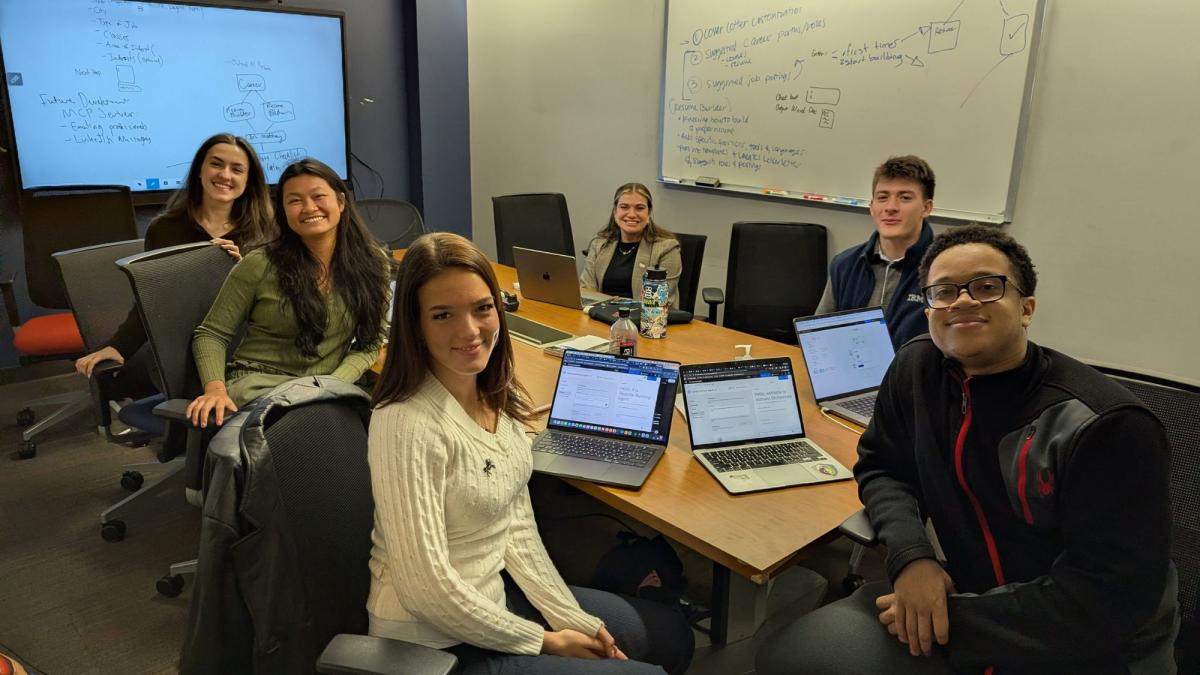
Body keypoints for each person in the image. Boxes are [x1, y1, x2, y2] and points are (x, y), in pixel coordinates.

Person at [757, 225, 1179, 674]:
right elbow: (884, 467)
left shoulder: (1106, 426)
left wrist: (949, 618)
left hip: (1092, 644)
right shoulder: (917, 368)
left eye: (985, 287)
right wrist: (911, 558)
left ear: (1027, 308)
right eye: (944, 291)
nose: (961, 301)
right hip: (964, 592)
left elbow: (1111, 596)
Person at [368, 232, 693, 675]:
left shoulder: (492, 396)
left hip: (491, 600)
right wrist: (544, 641)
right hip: (433, 645)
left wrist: (572, 620)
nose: (470, 331)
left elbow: (515, 528)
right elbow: (425, 589)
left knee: (671, 638)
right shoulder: (405, 421)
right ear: (415, 325)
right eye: (443, 315)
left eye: (482, 308)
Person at [185, 158, 391, 433]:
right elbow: (211, 334)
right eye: (295, 201)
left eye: (318, 196)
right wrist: (214, 389)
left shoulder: (373, 263)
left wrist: (333, 385)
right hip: (259, 386)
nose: (309, 208)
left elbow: (369, 343)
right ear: (282, 210)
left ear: (340, 202)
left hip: (325, 389)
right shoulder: (259, 264)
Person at [74, 132, 275, 401]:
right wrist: (116, 346)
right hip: (178, 344)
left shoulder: (266, 232)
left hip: (243, 345)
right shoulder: (165, 229)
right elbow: (151, 301)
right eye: (216, 164)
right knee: (155, 379)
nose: (225, 175)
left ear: (248, 180)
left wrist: (243, 272)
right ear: (200, 170)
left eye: (237, 169)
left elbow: (277, 305)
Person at [814, 155, 936, 349]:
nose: (890, 208)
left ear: (926, 208)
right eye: (882, 197)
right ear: (872, 207)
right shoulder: (845, 264)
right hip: (852, 374)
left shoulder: (943, 268)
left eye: (905, 198)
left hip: (915, 377)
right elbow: (820, 336)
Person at [580, 183, 683, 307]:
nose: (632, 214)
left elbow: (658, 302)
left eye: (639, 208)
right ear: (615, 212)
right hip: (599, 317)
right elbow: (586, 291)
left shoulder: (666, 248)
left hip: (646, 320)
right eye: (624, 207)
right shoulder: (599, 243)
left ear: (649, 213)